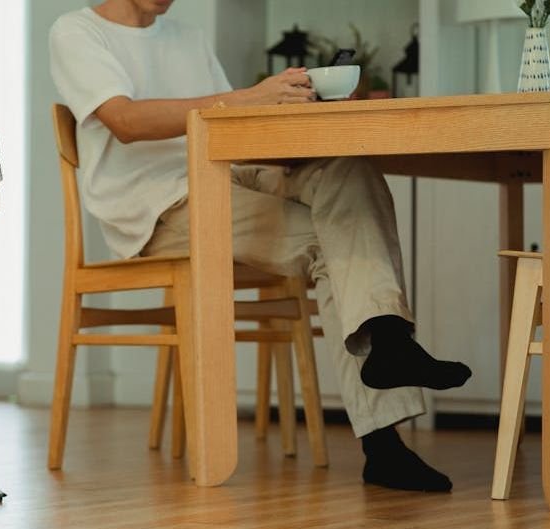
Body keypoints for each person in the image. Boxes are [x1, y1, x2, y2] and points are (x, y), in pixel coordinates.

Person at [49, 0, 472, 492]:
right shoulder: (76, 31)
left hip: (229, 174)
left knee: (349, 170)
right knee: (329, 240)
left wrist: (292, 127)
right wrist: (248, 98)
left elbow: (230, 129)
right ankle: (383, 439)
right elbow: (125, 121)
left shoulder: (187, 37)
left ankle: (389, 339)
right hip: (158, 206)